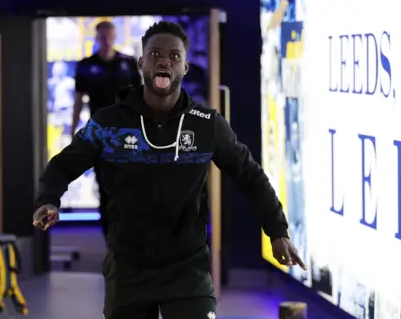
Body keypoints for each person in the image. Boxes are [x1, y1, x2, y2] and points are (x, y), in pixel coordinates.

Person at [33, 21, 306, 319]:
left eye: (174, 56)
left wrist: (277, 230)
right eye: (155, 54)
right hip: (128, 270)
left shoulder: (205, 124)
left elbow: (249, 175)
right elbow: (64, 164)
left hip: (187, 270)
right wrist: (49, 198)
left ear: (185, 67)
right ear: (141, 63)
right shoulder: (108, 123)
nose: (164, 61)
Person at [71, 21, 142, 234]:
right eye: (102, 36)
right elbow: (78, 101)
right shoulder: (86, 65)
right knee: (104, 182)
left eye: (109, 36)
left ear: (115, 37)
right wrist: (74, 131)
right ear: (96, 38)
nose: (106, 40)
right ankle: (109, 234)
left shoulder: (127, 63)